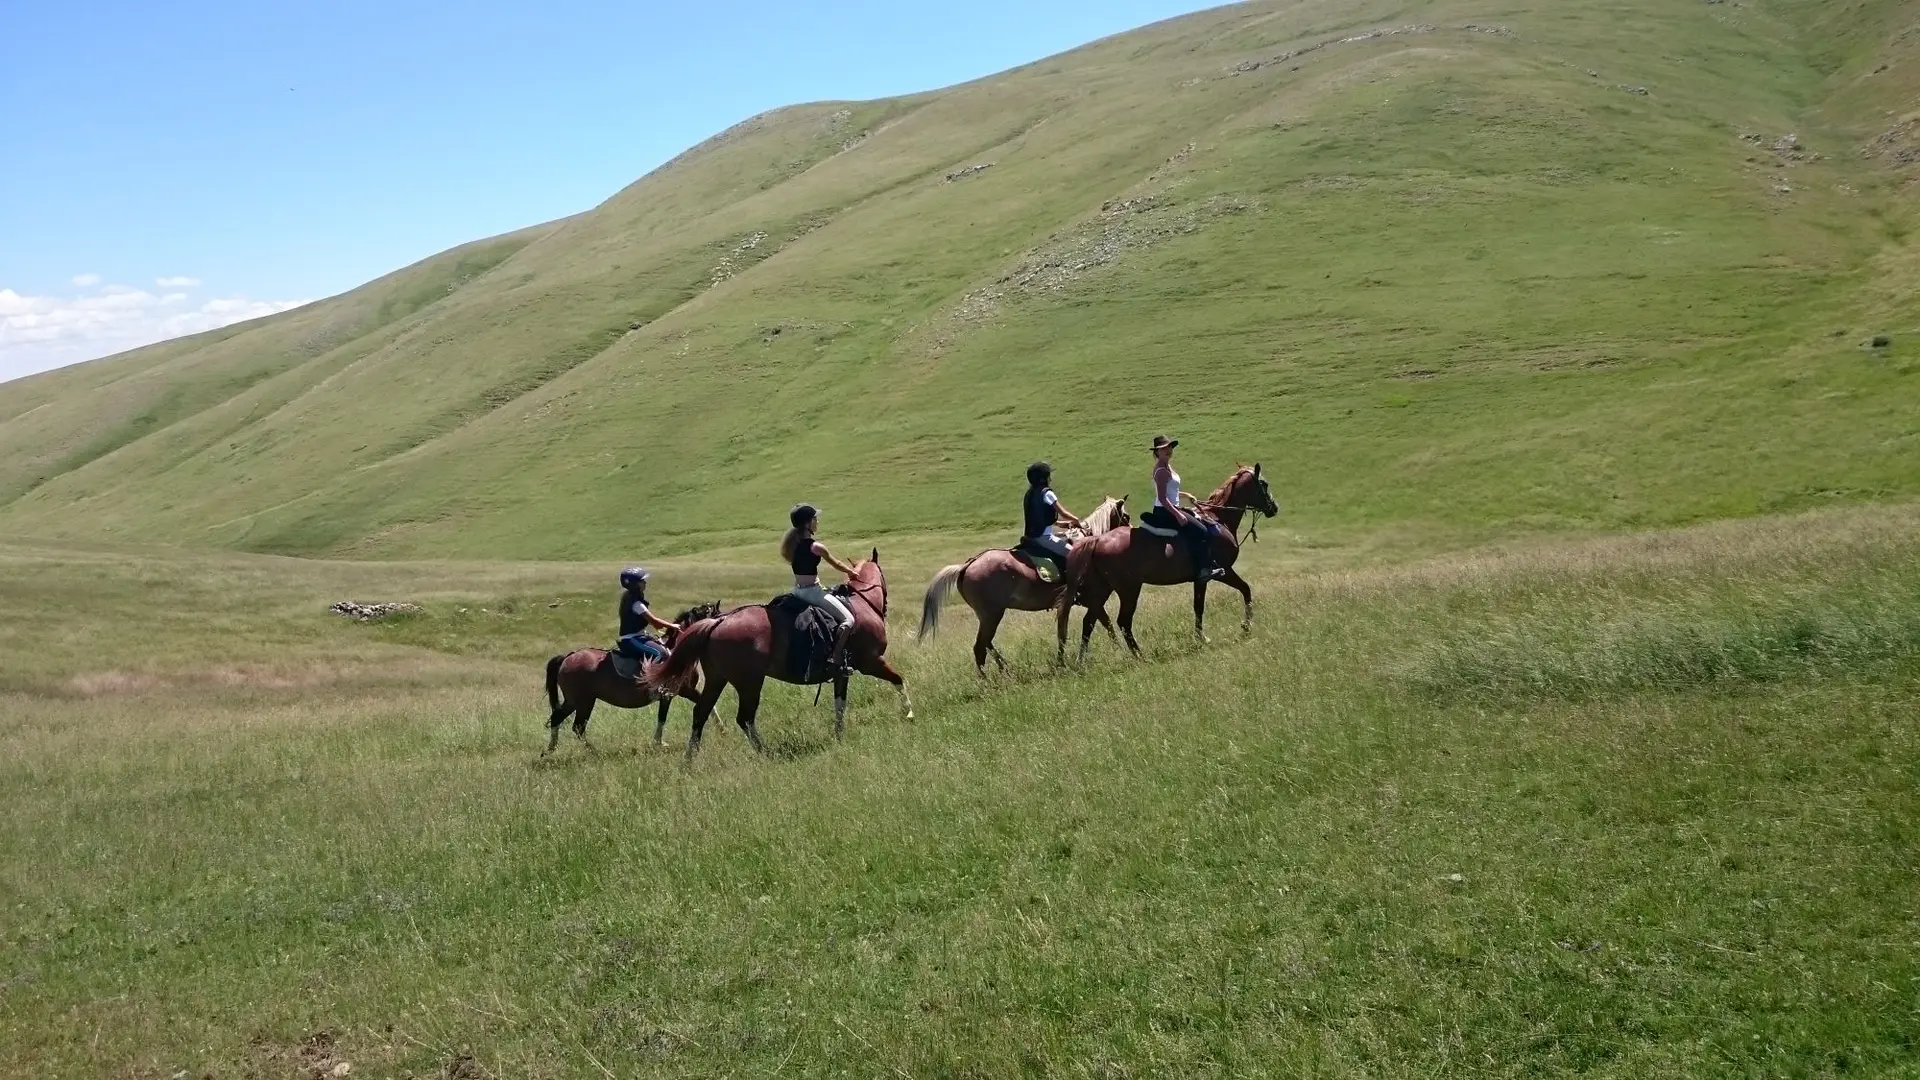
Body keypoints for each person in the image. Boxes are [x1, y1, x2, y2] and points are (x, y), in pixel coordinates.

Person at [780, 503, 859, 671]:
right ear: (808, 523)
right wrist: (851, 572)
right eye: (815, 518)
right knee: (849, 620)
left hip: (797, 592)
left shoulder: (791, 545)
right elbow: (836, 563)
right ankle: (835, 657)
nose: (818, 522)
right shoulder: (816, 547)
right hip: (813, 593)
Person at [1143, 434, 1222, 581]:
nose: (1168, 450)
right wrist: (1178, 514)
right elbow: (1162, 498)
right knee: (1202, 531)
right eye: (1163, 448)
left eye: (1169, 447)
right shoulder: (1161, 471)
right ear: (1157, 452)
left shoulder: (1167, 466)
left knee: (1199, 524)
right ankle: (1203, 570)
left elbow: (1171, 491)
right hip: (1165, 511)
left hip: (1171, 508)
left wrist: (1186, 495)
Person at [1019, 460, 1083, 567]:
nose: (1050, 479)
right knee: (1076, 554)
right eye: (1048, 476)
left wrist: (1059, 524)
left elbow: (1039, 517)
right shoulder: (1047, 493)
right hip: (1044, 538)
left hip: (1030, 537)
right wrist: (1076, 520)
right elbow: (1063, 513)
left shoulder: (1029, 494)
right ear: (1043, 479)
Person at [614, 566, 677, 673]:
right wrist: (672, 626)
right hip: (631, 640)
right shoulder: (636, 604)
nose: (645, 583)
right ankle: (649, 681)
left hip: (638, 637)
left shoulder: (631, 598)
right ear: (635, 585)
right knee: (660, 654)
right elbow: (654, 621)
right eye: (641, 581)